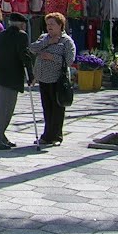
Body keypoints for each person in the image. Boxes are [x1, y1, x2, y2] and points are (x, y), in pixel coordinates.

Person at [0, 12, 34, 150]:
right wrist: (30, 75)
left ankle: (1, 136)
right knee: (5, 111)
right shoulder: (21, 36)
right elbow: (24, 56)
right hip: (9, 78)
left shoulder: (2, 34)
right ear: (22, 24)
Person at [29, 11, 77, 147]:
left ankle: (56, 136)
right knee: (47, 108)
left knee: (57, 109)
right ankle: (46, 135)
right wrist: (48, 41)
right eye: (47, 24)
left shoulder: (66, 41)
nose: (49, 27)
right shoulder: (44, 38)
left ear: (60, 25)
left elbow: (69, 60)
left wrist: (51, 57)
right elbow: (32, 48)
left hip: (58, 80)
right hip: (43, 78)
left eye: (52, 24)